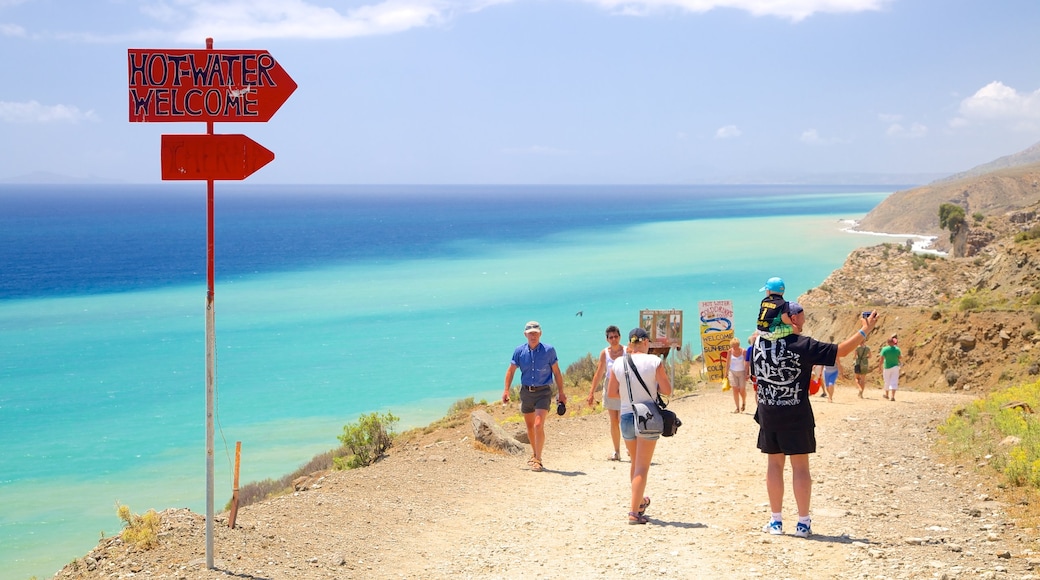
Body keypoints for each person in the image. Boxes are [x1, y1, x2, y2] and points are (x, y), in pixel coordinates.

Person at [751, 303, 877, 537]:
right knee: (800, 467)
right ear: (793, 319)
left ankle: (776, 522)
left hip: (769, 411)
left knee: (774, 466)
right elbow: (841, 351)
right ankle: (802, 523)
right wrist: (865, 330)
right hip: (796, 413)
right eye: (802, 317)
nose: (804, 322)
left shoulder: (759, 343)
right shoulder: (803, 345)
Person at [607, 327, 673, 524]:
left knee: (635, 464)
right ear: (646, 342)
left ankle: (640, 502)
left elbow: (612, 393)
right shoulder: (654, 361)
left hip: (627, 416)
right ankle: (634, 512)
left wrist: (628, 397)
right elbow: (667, 390)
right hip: (648, 417)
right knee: (642, 467)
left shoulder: (619, 363)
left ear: (630, 343)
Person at [503, 321, 566, 472]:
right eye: (530, 333)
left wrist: (561, 393)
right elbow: (511, 371)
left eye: (536, 332)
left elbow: (556, 372)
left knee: (538, 425)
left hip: (543, 392)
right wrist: (506, 390)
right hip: (526, 392)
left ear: (540, 334)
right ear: (525, 334)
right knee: (530, 427)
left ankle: (538, 459)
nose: (533, 335)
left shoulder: (549, 350)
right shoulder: (519, 351)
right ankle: (534, 453)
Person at [586, 325, 625, 461]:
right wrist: (591, 392)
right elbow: (599, 373)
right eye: (611, 337)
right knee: (614, 420)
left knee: (625, 419)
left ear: (619, 337)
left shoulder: (627, 351)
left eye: (616, 336)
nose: (614, 339)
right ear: (607, 339)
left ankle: (631, 447)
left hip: (625, 386)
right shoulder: (605, 353)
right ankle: (617, 451)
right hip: (610, 386)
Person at [726, 337, 748, 413]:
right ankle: (737, 408)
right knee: (735, 389)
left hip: (742, 372)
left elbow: (746, 363)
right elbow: (727, 363)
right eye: (733, 346)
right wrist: (726, 373)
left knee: (742, 390)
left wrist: (747, 373)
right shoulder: (730, 351)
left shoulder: (743, 351)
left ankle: (744, 402)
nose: (734, 348)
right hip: (732, 372)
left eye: (736, 346)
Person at [878, 334, 902, 401]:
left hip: (887, 367)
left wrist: (879, 367)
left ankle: (887, 395)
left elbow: (881, 359)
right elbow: (900, 357)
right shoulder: (897, 349)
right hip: (895, 367)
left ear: (888, 342)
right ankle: (893, 396)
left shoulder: (884, 349)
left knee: (886, 381)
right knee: (894, 381)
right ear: (893, 342)